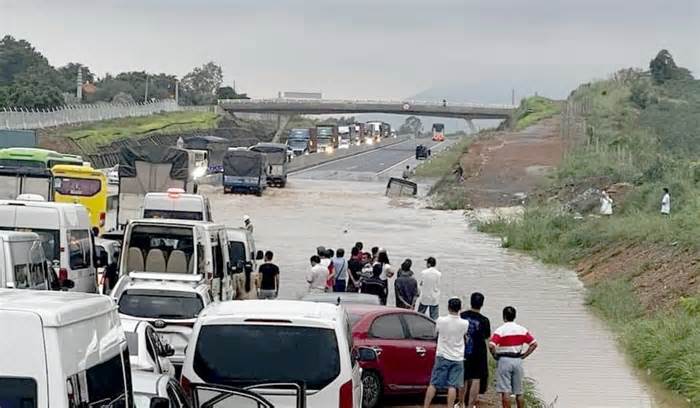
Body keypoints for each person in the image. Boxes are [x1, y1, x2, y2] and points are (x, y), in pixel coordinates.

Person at [423, 297, 469, 408]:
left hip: (442, 355)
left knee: (433, 383)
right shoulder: (464, 323)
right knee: (453, 386)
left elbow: (435, 333)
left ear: (448, 307)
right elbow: (465, 337)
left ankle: (426, 406)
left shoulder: (440, 320)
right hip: (457, 357)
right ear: (460, 308)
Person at [489, 306, 538, 408]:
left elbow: (491, 345)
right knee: (519, 392)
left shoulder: (500, 330)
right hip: (517, 360)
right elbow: (534, 344)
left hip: (504, 360)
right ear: (515, 316)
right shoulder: (522, 329)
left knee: (505, 391)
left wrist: (494, 355)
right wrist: (524, 355)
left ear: (504, 317)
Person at [460, 292, 491, 408]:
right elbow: (487, 339)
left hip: (464, 350)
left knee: (464, 377)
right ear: (482, 304)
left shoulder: (462, 315)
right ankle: (470, 404)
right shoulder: (484, 320)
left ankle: (461, 402)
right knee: (476, 378)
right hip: (479, 352)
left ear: (470, 302)